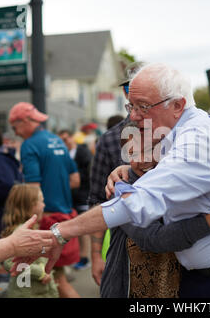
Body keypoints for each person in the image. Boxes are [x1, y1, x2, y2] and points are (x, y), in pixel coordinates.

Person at [14, 63, 210, 298]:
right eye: (131, 106)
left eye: (143, 107)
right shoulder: (182, 131)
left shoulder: (198, 140)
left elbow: (134, 205)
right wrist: (128, 172)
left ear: (177, 105)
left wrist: (59, 233)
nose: (134, 117)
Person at [101, 125, 210, 298]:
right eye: (134, 153)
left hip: (179, 287)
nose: (144, 159)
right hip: (130, 290)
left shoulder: (183, 179)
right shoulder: (120, 187)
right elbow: (152, 238)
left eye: (152, 150)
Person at [8, 101, 81, 298]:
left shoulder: (29, 145)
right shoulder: (58, 141)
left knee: (57, 281)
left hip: (46, 220)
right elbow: (75, 180)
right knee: (55, 280)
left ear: (25, 121)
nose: (15, 133)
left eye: (14, 127)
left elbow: (33, 191)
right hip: (66, 216)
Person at [88, 62, 139, 286]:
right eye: (130, 88)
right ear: (125, 92)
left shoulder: (173, 134)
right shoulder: (110, 139)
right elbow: (97, 200)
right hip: (123, 249)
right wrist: (96, 256)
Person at [1, 184, 59, 298]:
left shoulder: (34, 229)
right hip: (25, 293)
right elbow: (10, 263)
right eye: (41, 201)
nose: (44, 205)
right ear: (30, 206)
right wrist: (40, 273)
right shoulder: (19, 233)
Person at [58, 129, 93, 270]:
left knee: (83, 228)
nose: (64, 143)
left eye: (66, 139)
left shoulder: (83, 153)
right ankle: (77, 256)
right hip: (69, 196)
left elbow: (88, 173)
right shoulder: (62, 154)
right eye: (61, 141)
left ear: (71, 138)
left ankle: (84, 258)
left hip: (83, 195)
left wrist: (73, 177)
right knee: (72, 227)